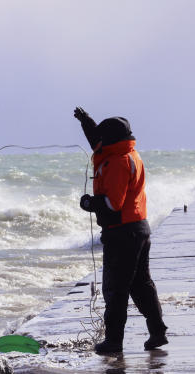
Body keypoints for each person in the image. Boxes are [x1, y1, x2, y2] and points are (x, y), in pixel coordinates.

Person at [74, 106, 168, 353]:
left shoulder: (116, 162)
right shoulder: (129, 153)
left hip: (123, 232)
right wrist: (86, 122)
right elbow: (97, 140)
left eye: (102, 137)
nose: (98, 141)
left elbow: (112, 204)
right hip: (139, 228)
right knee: (141, 285)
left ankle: (114, 341)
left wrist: (88, 203)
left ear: (111, 139)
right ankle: (157, 331)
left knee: (116, 288)